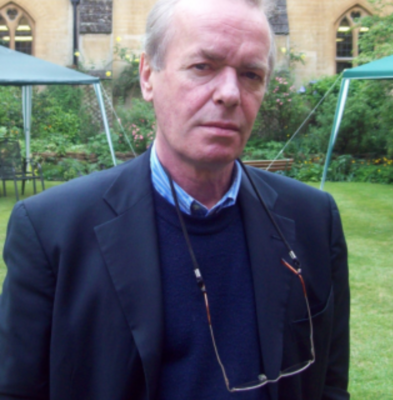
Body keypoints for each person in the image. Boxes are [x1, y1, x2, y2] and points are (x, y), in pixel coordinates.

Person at [0, 0, 350, 399]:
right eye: (203, 67)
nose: (230, 94)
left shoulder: (313, 220)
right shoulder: (52, 230)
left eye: (251, 74)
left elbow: (328, 385)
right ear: (148, 76)